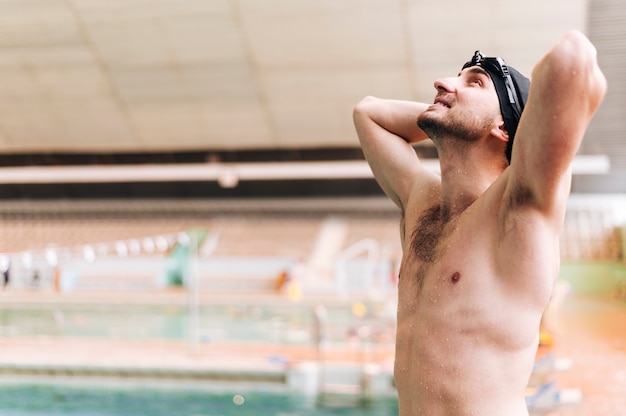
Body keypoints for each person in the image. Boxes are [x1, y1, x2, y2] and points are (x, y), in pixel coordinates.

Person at [353, 30, 606, 416]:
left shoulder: (520, 206)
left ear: (505, 129)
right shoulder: (421, 200)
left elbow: (574, 59)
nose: (443, 83)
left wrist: (456, 109)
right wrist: (447, 109)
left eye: (474, 81)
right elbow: (368, 113)